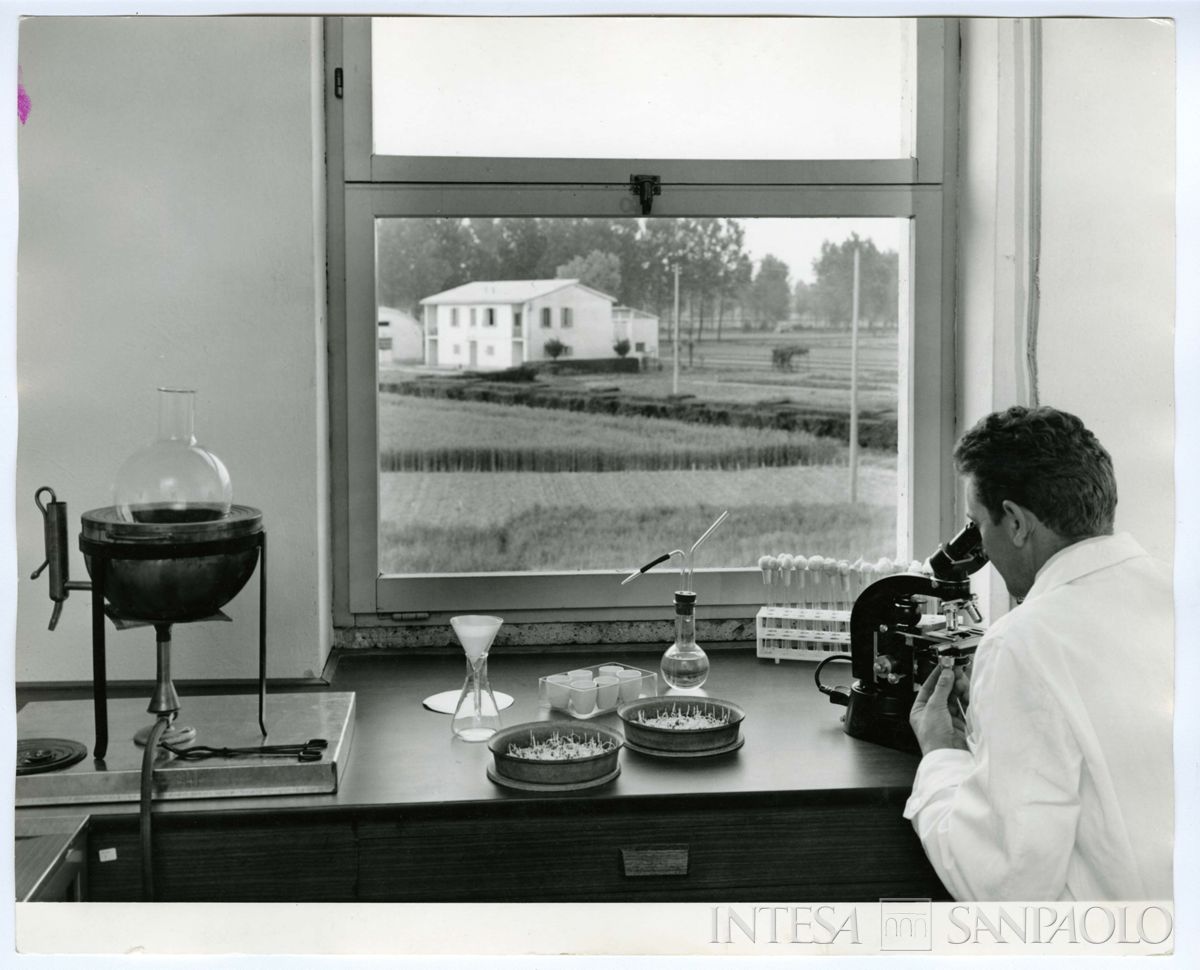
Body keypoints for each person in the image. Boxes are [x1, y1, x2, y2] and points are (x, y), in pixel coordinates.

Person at [903, 405, 1173, 901]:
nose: (981, 546)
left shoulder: (1021, 642)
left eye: (977, 525)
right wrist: (992, 718)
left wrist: (941, 754)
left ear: (1016, 522)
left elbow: (1007, 889)